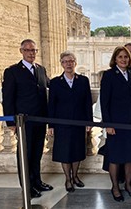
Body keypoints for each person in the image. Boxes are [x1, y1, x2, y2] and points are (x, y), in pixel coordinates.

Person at [2, 39, 53, 198]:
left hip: (39, 120)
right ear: (21, 51)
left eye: (34, 50)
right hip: (24, 122)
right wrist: (11, 122)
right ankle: (27, 186)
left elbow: (50, 87)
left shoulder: (41, 70)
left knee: (37, 152)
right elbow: (8, 98)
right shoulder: (12, 71)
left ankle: (37, 181)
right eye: (28, 50)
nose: (32, 53)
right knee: (25, 154)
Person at [47, 51, 93, 193]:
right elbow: (52, 105)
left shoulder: (83, 81)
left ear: (75, 63)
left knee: (77, 150)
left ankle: (76, 176)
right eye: (66, 61)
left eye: (71, 61)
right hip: (62, 123)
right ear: (61, 63)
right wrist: (51, 125)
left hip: (79, 122)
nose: (69, 64)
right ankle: (68, 179)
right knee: (65, 152)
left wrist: (89, 122)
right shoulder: (55, 82)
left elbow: (87, 102)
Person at [100, 46, 131, 202]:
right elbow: (104, 101)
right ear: (115, 59)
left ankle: (128, 185)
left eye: (126, 57)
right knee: (115, 157)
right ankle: (115, 187)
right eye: (121, 57)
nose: (124, 59)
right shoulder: (109, 75)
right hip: (115, 123)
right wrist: (108, 124)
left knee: (130, 156)